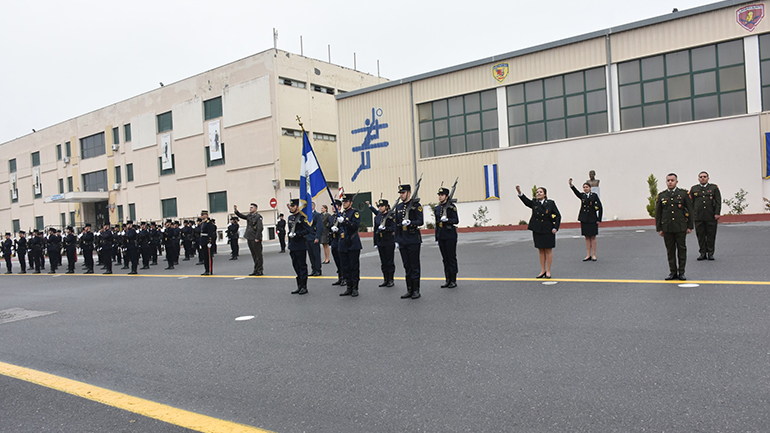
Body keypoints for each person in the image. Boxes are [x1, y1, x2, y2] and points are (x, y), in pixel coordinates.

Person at [515, 185, 561, 278]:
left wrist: (555, 227)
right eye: (537, 192)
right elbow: (526, 201)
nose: (538, 193)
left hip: (548, 229)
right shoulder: (534, 203)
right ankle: (542, 270)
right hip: (537, 229)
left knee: (548, 250)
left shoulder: (550, 203)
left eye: (540, 192)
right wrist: (519, 192)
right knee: (540, 250)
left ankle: (548, 271)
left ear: (545, 194)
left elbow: (558, 215)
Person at [655, 173, 693, 280]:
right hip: (667, 227)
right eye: (668, 180)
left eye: (672, 180)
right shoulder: (662, 195)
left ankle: (681, 272)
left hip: (680, 227)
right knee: (670, 251)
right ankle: (672, 272)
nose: (670, 182)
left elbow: (690, 210)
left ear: (676, 182)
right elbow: (658, 214)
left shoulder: (683, 194)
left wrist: (690, 226)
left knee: (681, 249)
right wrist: (659, 228)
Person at [395, 183, 424, 299]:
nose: (401, 195)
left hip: (413, 239)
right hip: (402, 240)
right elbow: (396, 226)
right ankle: (409, 289)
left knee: (414, 265)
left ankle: (416, 290)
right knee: (406, 266)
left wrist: (411, 223)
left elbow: (420, 221)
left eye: (403, 193)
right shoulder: (399, 207)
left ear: (409, 193)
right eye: (400, 193)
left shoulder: (416, 205)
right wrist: (396, 239)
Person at [569, 178, 603, 261]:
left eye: (587, 187)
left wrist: (599, 218)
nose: (585, 188)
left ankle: (594, 254)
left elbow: (600, 207)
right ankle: (588, 254)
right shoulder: (582, 196)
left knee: (593, 237)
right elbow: (576, 193)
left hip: (592, 218)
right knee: (587, 237)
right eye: (584, 187)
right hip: (584, 219)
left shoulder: (594, 195)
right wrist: (571, 185)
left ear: (590, 188)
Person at [690, 171, 721, 261]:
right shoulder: (694, 189)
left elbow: (718, 201)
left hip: (710, 215)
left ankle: (710, 253)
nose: (703, 178)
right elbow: (690, 202)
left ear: (708, 178)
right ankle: (702, 253)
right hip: (698, 216)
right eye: (701, 177)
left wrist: (717, 213)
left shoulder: (714, 188)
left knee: (711, 235)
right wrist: (692, 214)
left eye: (704, 176)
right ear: (698, 179)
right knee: (700, 235)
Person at [336, 193, 363, 297]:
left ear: (351, 203)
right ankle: (348, 287)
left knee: (354, 266)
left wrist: (346, 221)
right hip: (343, 244)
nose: (344, 203)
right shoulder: (341, 214)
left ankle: (355, 288)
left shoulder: (354, 212)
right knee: (345, 267)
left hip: (353, 243)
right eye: (343, 202)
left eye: (346, 202)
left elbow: (355, 226)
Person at [367, 198, 396, 287]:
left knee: (389, 262)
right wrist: (375, 242)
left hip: (389, 241)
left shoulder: (391, 216)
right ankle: (385, 279)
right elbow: (375, 230)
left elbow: (394, 228)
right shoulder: (377, 217)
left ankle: (391, 279)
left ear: (386, 207)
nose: (380, 208)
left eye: (382, 206)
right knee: (383, 262)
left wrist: (386, 229)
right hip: (381, 242)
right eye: (379, 206)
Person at [435, 186, 459, 288]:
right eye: (439, 195)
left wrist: (448, 220)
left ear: (447, 196)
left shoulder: (451, 207)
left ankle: (453, 280)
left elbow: (456, 220)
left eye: (442, 195)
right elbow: (436, 223)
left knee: (451, 258)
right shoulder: (437, 208)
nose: (440, 197)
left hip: (450, 235)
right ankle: (447, 279)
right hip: (441, 235)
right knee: (445, 259)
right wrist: (436, 237)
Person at [287, 199, 310, 294]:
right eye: (290, 206)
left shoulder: (302, 217)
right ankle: (299, 285)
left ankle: (304, 286)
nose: (291, 208)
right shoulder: (290, 217)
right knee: (295, 265)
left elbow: (307, 230)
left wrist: (297, 234)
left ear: (297, 206)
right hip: (292, 245)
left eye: (293, 206)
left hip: (300, 245)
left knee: (302, 266)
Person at [234, 203, 264, 276]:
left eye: (252, 208)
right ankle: (255, 269)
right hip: (249, 237)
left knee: (258, 255)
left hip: (255, 238)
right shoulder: (249, 216)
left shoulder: (258, 216)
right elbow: (242, 216)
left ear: (255, 209)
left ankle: (260, 270)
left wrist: (257, 237)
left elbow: (260, 228)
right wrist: (236, 211)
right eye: (250, 207)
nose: (250, 209)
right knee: (254, 254)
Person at [327, 200, 345, 287]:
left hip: (340, 240)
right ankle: (340, 277)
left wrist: (339, 230)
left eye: (335, 205)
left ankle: (344, 278)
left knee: (342, 261)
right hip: (334, 241)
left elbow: (345, 228)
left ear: (339, 207)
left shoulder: (342, 216)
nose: (333, 207)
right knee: (337, 260)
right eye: (332, 206)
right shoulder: (331, 218)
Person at [199, 210, 216, 275]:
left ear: (206, 215)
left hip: (206, 241)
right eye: (201, 214)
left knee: (208, 256)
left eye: (203, 215)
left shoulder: (208, 223)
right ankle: (206, 270)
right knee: (204, 256)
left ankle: (210, 270)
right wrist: (200, 243)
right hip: (203, 241)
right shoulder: (202, 223)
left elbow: (210, 233)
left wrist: (209, 242)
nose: (201, 216)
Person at [308, 202, 323, 276]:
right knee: (311, 255)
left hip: (314, 237)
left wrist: (317, 237)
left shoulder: (317, 215)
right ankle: (313, 269)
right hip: (308, 238)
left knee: (316, 255)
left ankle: (318, 270)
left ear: (313, 206)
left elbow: (320, 227)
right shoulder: (306, 215)